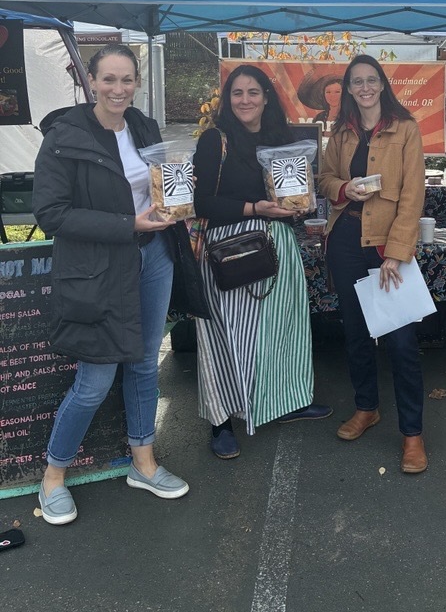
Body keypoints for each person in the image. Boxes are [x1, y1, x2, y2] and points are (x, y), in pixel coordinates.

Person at [33, 44, 188, 526]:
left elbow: (156, 184)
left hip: (153, 258)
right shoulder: (64, 137)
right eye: (109, 80)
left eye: (127, 80)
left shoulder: (142, 126)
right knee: (94, 380)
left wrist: (178, 196)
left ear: (137, 82)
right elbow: (51, 213)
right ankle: (53, 475)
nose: (119, 89)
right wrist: (129, 225)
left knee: (144, 364)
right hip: (99, 270)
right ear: (91, 82)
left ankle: (143, 462)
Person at [192, 64, 331, 460]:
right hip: (229, 250)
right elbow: (201, 203)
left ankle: (288, 400)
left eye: (254, 92)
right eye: (237, 93)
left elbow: (296, 196)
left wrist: (297, 207)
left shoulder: (281, 140)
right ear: (227, 99)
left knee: (282, 331)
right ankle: (221, 422)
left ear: (267, 97)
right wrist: (255, 207)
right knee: (224, 336)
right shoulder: (214, 141)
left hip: (278, 247)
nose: (245, 100)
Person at [318, 55, 428, 473]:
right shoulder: (342, 132)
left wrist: (397, 253)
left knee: (400, 342)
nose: (364, 87)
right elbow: (324, 178)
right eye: (356, 82)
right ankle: (367, 408)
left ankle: (412, 435)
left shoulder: (406, 129)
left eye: (371, 80)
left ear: (382, 84)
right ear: (348, 89)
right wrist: (346, 188)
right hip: (345, 239)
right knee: (356, 333)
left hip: (385, 247)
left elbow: (413, 195)